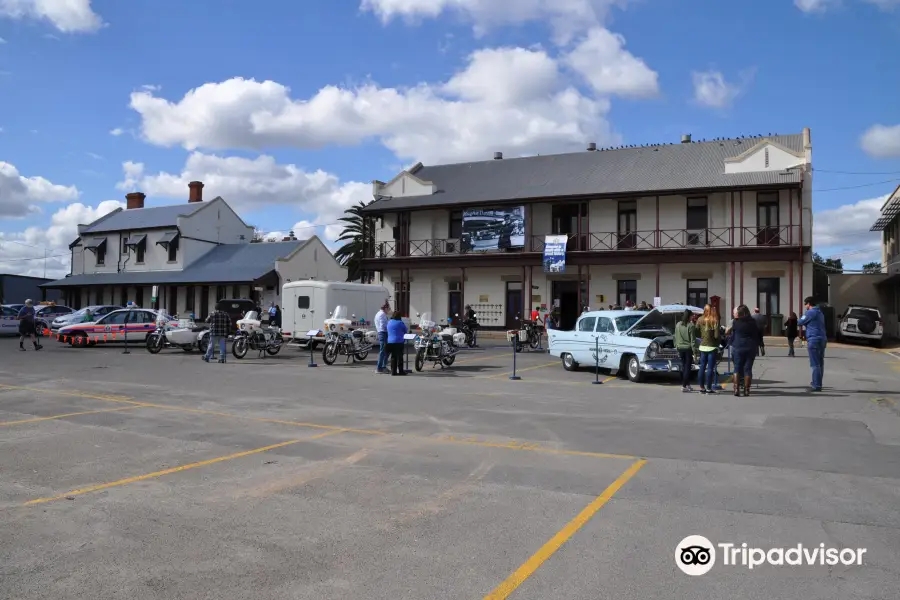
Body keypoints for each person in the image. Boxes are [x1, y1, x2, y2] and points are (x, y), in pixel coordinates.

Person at [726, 305, 759, 396]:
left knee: (737, 368)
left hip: (738, 346)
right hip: (750, 346)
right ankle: (746, 390)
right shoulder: (753, 322)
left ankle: (736, 389)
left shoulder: (736, 322)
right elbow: (757, 333)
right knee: (747, 369)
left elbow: (728, 332)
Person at [798, 296, 826, 392]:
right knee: (820, 362)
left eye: (805, 304)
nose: (805, 306)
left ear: (809, 304)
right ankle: (818, 382)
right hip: (822, 339)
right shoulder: (820, 313)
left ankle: (816, 385)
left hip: (813, 339)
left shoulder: (810, 312)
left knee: (815, 363)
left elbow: (800, 322)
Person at [697, 304, 720, 394]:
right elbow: (716, 335)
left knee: (702, 367)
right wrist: (718, 342)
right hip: (712, 346)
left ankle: (701, 387)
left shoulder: (700, 319)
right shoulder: (714, 319)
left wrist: (702, 336)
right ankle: (709, 388)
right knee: (710, 368)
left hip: (703, 345)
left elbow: (696, 331)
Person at [674, 309, 699, 392]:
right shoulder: (691, 325)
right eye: (692, 315)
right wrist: (695, 352)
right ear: (689, 316)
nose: (693, 317)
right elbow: (693, 340)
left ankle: (687, 384)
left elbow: (675, 336)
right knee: (687, 368)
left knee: (684, 366)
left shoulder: (678, 324)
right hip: (688, 348)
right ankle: (684, 385)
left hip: (680, 348)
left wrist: (676, 346)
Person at [387, 310, 408, 376]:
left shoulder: (389, 322)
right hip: (398, 341)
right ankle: (401, 371)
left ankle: (393, 371)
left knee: (393, 356)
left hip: (390, 342)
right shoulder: (400, 322)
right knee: (400, 356)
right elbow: (405, 330)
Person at [374, 301, 390, 374]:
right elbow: (383, 325)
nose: (388, 310)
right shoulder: (382, 314)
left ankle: (383, 366)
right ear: (385, 308)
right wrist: (389, 329)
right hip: (383, 333)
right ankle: (380, 367)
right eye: (388, 309)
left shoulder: (378, 313)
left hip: (381, 332)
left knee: (385, 350)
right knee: (383, 351)